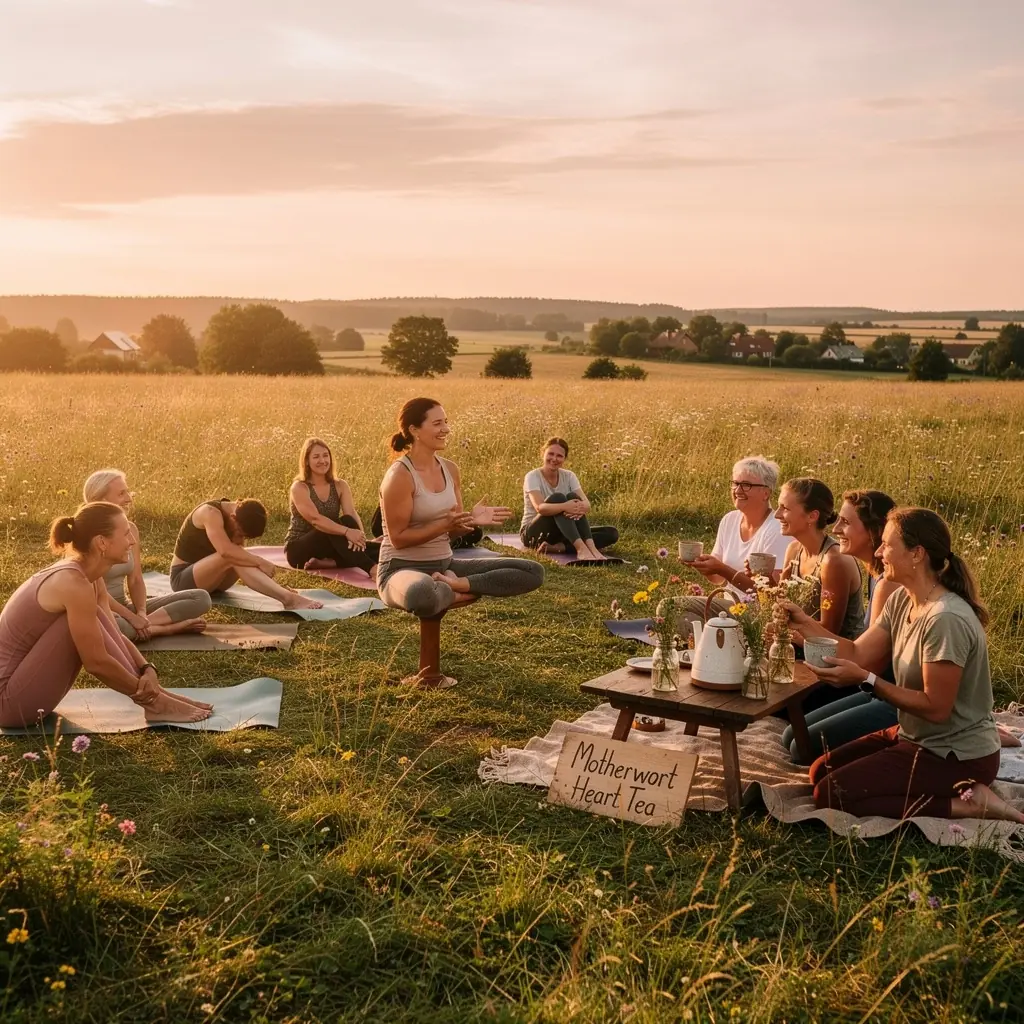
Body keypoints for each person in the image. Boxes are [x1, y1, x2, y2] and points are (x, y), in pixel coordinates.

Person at [800, 507, 1024, 824]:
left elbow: (936, 708)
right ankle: (951, 790)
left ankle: (969, 804)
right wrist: (802, 624)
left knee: (831, 793)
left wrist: (867, 681)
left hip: (956, 753)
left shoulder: (945, 618)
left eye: (887, 545)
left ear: (917, 553)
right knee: (821, 771)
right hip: (916, 735)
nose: (878, 552)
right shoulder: (903, 598)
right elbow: (857, 653)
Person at [0, 503, 213, 727]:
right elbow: (96, 662)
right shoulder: (73, 583)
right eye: (125, 533)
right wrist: (150, 697)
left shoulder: (90, 578)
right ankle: (156, 704)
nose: (132, 540)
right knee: (71, 624)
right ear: (102, 542)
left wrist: (146, 668)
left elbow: (114, 635)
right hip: (7, 703)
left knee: (97, 617)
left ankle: (158, 698)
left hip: (23, 690)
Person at [377, 397, 544, 629]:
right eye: (437, 424)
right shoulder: (400, 476)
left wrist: (469, 522)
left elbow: (451, 534)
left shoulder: (450, 469)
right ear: (414, 430)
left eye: (445, 422)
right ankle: (450, 588)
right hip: (401, 568)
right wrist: (443, 525)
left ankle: (456, 585)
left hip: (445, 565)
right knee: (422, 592)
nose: (446, 429)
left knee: (531, 570)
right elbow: (398, 539)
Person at [779, 489, 900, 762]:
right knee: (790, 735)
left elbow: (870, 663)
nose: (836, 529)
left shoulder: (889, 583)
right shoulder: (876, 574)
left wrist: (801, 631)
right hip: (876, 687)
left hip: (892, 693)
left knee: (802, 746)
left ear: (872, 532)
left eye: (846, 522)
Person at [82, 469, 212, 641]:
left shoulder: (130, 530)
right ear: (101, 500)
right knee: (114, 627)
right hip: (101, 609)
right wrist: (130, 617)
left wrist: (141, 613)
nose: (129, 498)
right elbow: (97, 594)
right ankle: (168, 629)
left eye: (128, 492)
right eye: (122, 493)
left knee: (201, 598)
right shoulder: (86, 536)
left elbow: (135, 579)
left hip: (126, 607)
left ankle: (145, 625)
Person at [680, 456, 792, 626]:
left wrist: (722, 569)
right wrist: (704, 566)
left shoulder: (776, 529)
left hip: (759, 613)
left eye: (746, 485)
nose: (738, 490)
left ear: (766, 492)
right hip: (730, 607)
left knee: (673, 607)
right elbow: (717, 579)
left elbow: (770, 593)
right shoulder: (730, 520)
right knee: (674, 608)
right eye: (735, 483)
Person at [170, 498, 323, 611]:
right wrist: (260, 561)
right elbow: (225, 551)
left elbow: (239, 555)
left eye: (244, 537)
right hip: (183, 581)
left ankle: (283, 594)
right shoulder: (210, 513)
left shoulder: (241, 519)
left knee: (239, 556)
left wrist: (275, 585)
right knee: (232, 556)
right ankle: (288, 599)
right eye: (240, 533)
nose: (241, 538)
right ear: (233, 517)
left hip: (213, 583)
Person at [775, 478, 864, 640]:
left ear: (812, 516)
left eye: (785, 508)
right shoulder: (794, 550)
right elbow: (781, 608)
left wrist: (781, 632)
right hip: (798, 648)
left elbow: (827, 635)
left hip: (836, 658)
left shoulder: (833, 561)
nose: (777, 514)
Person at [284, 438, 380, 579]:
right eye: (316, 457)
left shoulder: (340, 485)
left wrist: (361, 539)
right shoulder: (299, 487)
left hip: (330, 546)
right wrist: (347, 532)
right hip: (299, 549)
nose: (322, 460)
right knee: (333, 524)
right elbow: (315, 519)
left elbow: (351, 514)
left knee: (377, 548)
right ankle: (372, 568)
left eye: (325, 455)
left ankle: (330, 563)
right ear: (306, 461)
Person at [520, 438, 618, 560]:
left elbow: (586, 504)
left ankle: (578, 548)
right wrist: (565, 506)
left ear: (564, 459)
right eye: (551, 454)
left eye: (559, 456)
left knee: (611, 533)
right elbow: (540, 508)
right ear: (543, 453)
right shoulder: (532, 476)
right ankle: (581, 549)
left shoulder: (569, 475)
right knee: (558, 498)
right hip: (533, 534)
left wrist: (578, 507)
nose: (554, 459)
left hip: (562, 532)